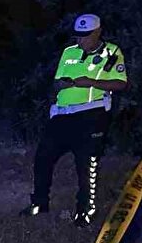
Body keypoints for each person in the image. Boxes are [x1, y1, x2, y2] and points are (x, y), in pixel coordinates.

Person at [22, 14, 128, 226]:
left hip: (92, 113)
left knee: (86, 163)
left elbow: (120, 84)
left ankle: (84, 212)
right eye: (78, 36)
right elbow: (56, 81)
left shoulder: (112, 53)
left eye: (86, 36)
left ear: (98, 32)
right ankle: (39, 204)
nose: (81, 40)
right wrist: (62, 84)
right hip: (62, 114)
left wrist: (90, 82)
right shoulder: (69, 52)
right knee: (43, 157)